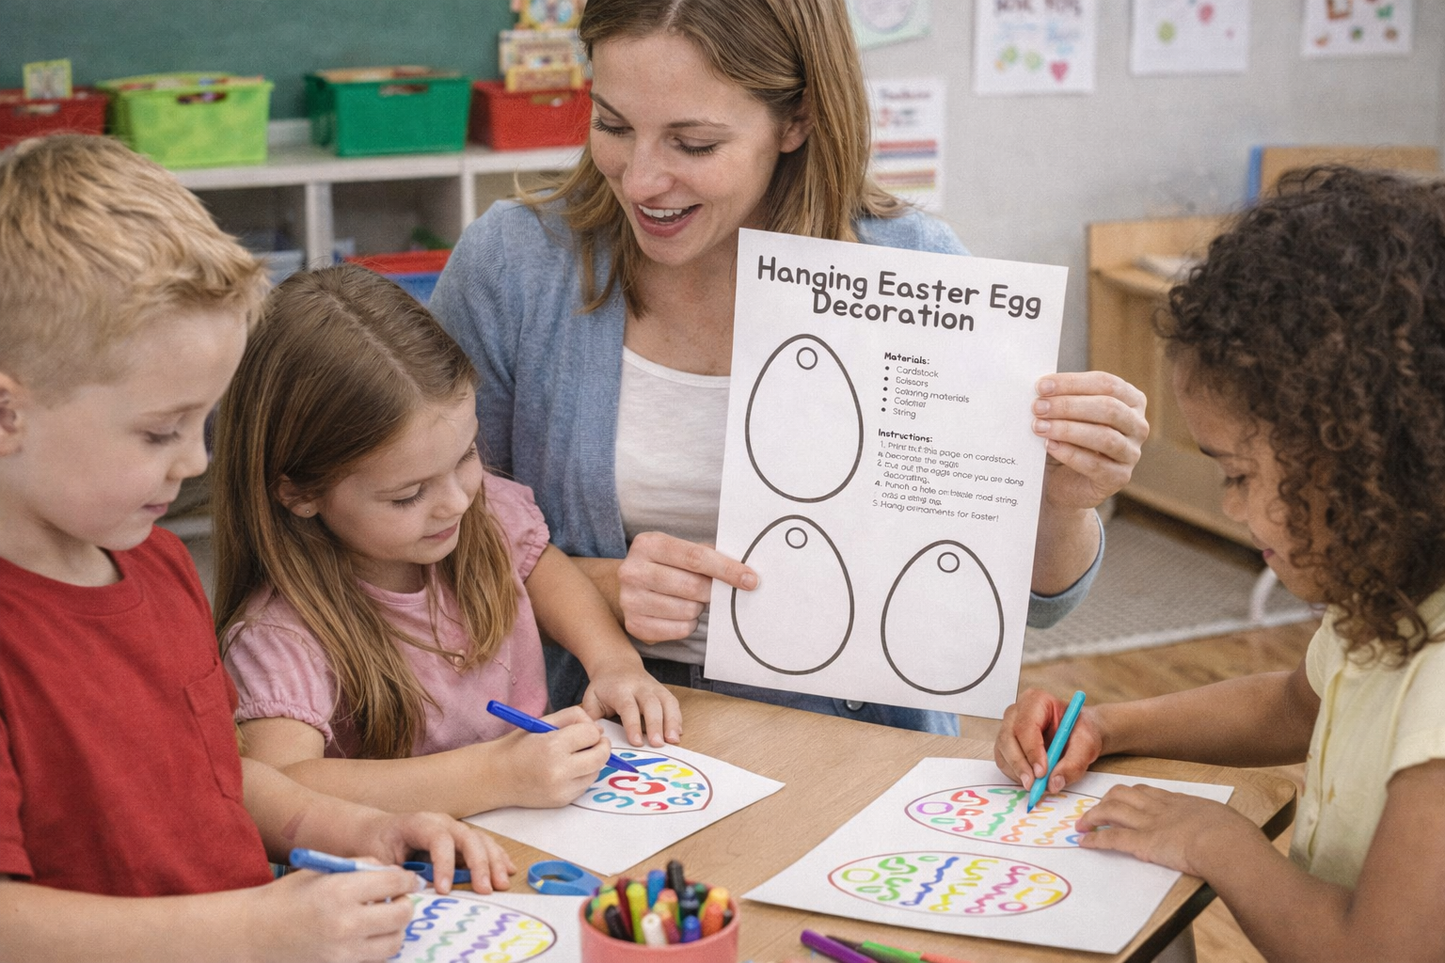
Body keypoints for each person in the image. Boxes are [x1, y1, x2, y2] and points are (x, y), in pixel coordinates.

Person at [431, 0, 1148, 734]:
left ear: (797, 118)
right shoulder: (513, 269)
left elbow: (1038, 599)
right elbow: (424, 551)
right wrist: (598, 587)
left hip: (853, 746)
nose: (640, 179)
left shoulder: (912, 269)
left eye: (694, 143)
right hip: (586, 743)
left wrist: (1060, 499)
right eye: (612, 125)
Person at [0, 134, 512, 962]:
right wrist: (252, 930)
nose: (196, 461)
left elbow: (211, 775)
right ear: (6, 414)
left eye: (200, 423)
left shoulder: (157, 563)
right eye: (160, 430)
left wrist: (358, 828)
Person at [994, 167, 1445, 961]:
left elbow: (1373, 950)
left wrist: (1216, 839)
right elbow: (1294, 705)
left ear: (1361, 454)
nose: (1231, 508)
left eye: (1237, 473)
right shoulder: (1384, 595)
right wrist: (1104, 724)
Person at [213, 264, 681, 819]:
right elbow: (282, 785)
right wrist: (494, 774)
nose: (457, 502)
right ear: (297, 492)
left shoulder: (480, 519)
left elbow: (543, 570)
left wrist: (614, 662)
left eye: (466, 456)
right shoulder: (280, 635)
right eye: (408, 494)